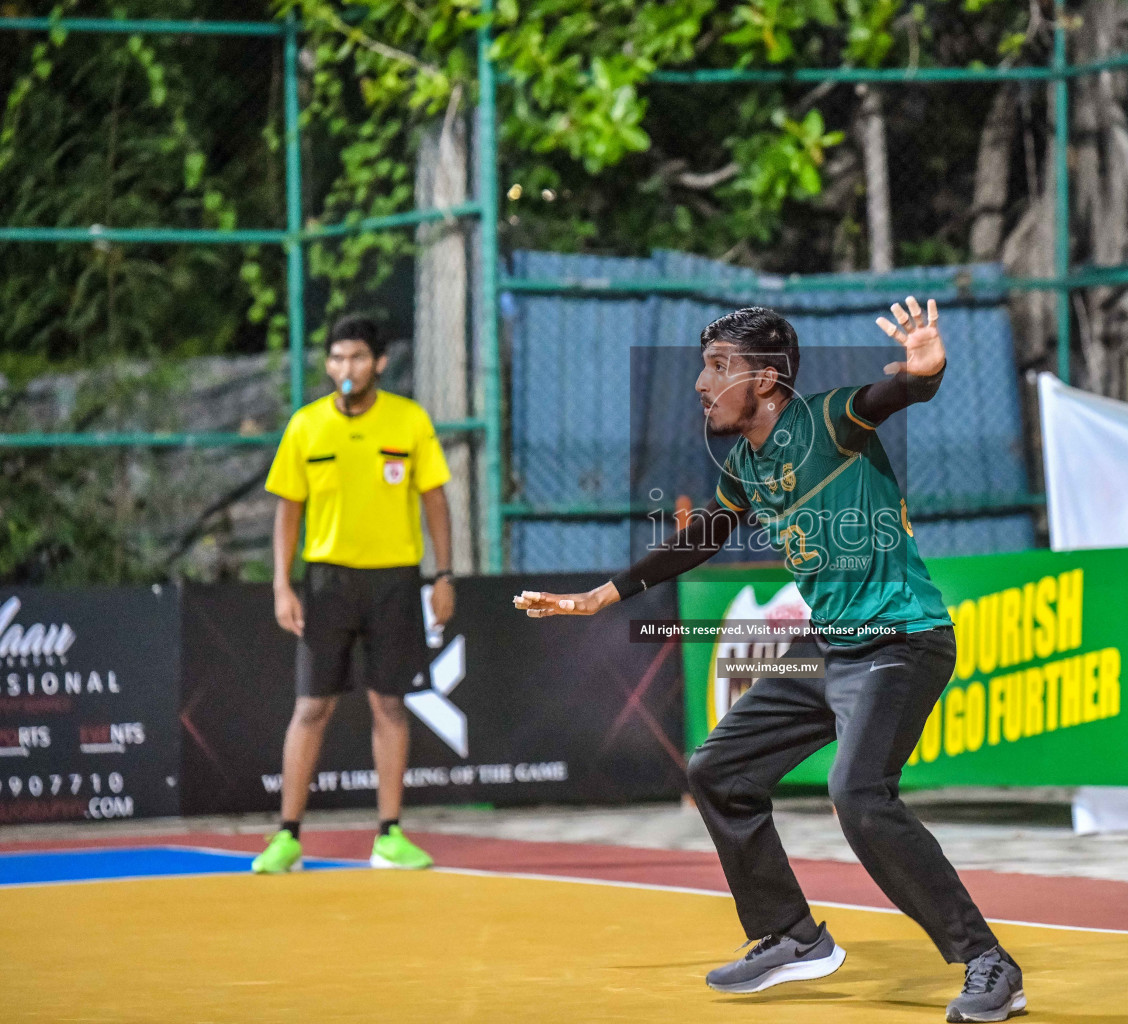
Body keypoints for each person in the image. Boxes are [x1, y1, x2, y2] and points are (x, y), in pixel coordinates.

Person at [514, 300, 1026, 1022]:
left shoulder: (827, 421)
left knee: (859, 795)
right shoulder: (747, 464)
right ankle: (791, 935)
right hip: (833, 644)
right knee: (718, 769)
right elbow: (702, 537)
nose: (702, 382)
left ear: (768, 379)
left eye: (719, 367)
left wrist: (925, 370)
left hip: (900, 639)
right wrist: (604, 594)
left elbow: (896, 393)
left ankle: (988, 961)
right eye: (704, 365)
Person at [251, 314, 455, 875]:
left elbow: (435, 500)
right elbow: (287, 509)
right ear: (327, 365)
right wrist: (281, 584)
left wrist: (444, 575)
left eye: (359, 358)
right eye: (338, 358)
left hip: (394, 580)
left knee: (389, 704)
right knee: (311, 706)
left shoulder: (409, 420)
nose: (347, 368)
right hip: (327, 582)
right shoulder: (306, 426)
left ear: (380, 363)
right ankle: (288, 836)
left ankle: (389, 834)